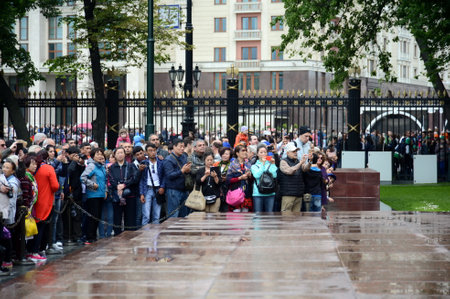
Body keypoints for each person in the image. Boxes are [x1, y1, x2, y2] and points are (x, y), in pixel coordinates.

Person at [27, 150, 59, 262]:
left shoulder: (31, 171)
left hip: (34, 202)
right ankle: (36, 250)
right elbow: (55, 186)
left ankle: (32, 250)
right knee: (40, 227)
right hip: (44, 200)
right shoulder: (48, 168)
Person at [107, 147, 138, 236]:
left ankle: (130, 236)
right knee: (117, 218)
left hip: (130, 194)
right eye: (118, 153)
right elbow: (111, 179)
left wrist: (124, 185)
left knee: (130, 217)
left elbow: (134, 178)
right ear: (115, 155)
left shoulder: (131, 165)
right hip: (117, 195)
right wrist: (117, 186)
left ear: (124, 154)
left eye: (121, 153)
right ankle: (117, 235)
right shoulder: (112, 167)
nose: (120, 154)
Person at [81, 148, 107, 244]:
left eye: (101, 154)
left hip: (100, 194)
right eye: (97, 154)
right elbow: (83, 177)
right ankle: (89, 237)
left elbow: (105, 180)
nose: (100, 156)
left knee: (98, 216)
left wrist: (105, 191)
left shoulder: (102, 166)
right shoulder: (91, 166)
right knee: (92, 216)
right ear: (93, 156)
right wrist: (92, 184)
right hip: (93, 195)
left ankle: (93, 236)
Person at [163, 139, 191, 218]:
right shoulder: (168, 159)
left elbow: (186, 171)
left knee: (184, 215)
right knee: (173, 215)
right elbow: (169, 175)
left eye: (183, 147)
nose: (182, 149)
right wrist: (182, 171)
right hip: (173, 190)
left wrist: (188, 170)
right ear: (174, 147)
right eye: (180, 147)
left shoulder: (184, 157)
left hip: (184, 189)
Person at [139, 143, 165, 224]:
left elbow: (164, 176)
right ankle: (144, 234)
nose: (153, 152)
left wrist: (162, 187)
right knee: (146, 215)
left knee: (156, 215)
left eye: (154, 150)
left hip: (158, 189)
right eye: (150, 151)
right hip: (147, 189)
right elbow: (141, 179)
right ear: (146, 152)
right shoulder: (144, 163)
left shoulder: (161, 162)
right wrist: (141, 193)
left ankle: (155, 234)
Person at [278, 143, 307, 212]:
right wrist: (300, 163)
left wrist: (310, 161)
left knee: (296, 219)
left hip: (298, 194)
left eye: (296, 151)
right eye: (293, 151)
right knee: (286, 217)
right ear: (287, 153)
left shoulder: (298, 161)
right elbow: (290, 171)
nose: (295, 153)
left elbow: (305, 169)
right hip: (288, 195)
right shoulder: (283, 162)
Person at [251, 144, 278, 212]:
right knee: (258, 214)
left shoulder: (270, 163)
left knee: (269, 214)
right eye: (261, 152)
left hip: (270, 192)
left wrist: (273, 164)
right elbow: (257, 175)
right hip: (258, 193)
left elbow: (274, 175)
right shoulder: (254, 166)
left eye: (265, 152)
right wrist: (262, 164)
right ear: (257, 154)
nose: (263, 154)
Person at [226, 145, 253, 212]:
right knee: (236, 215)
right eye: (243, 150)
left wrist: (250, 176)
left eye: (246, 150)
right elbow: (228, 180)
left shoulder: (248, 164)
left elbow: (252, 180)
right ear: (237, 153)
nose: (245, 152)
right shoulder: (232, 165)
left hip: (246, 192)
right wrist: (240, 178)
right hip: (236, 192)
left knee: (246, 213)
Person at [213, 147, 232, 212]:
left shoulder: (232, 165)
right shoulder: (216, 164)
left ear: (230, 155)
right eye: (223, 154)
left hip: (228, 189)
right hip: (217, 189)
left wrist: (227, 179)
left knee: (226, 210)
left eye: (227, 154)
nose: (224, 156)